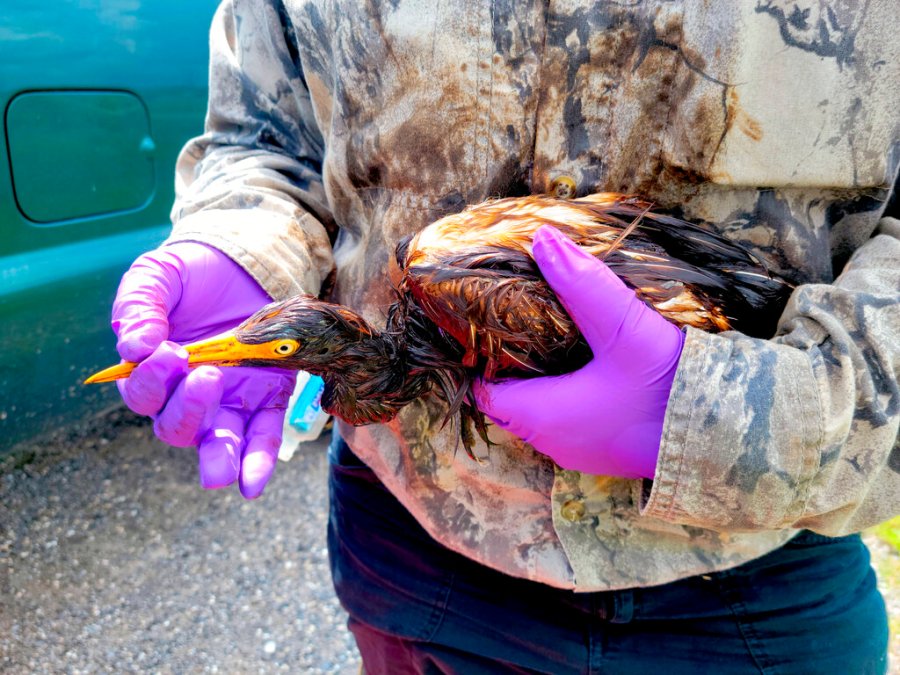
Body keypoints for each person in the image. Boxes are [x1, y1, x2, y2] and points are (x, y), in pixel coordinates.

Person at [109, 1, 899, 672]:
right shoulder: (421, 308)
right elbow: (270, 140)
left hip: (754, 581)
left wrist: (726, 413)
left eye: (282, 348)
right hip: (414, 559)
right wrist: (246, 247)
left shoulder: (449, 289)